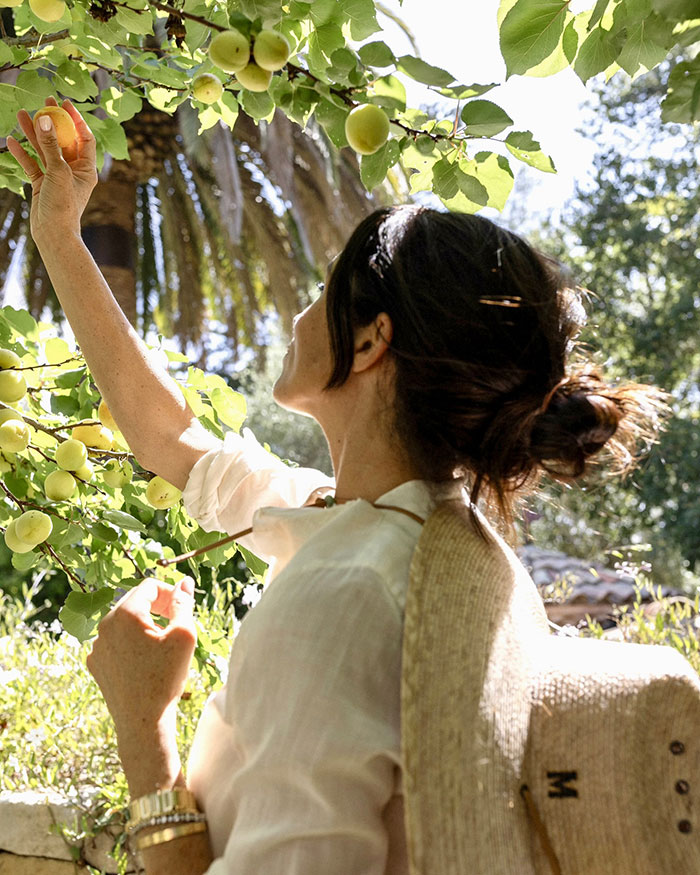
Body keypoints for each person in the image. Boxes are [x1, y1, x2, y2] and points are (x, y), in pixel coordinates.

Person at [6, 99, 663, 875]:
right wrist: (58, 230)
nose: (297, 310)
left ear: (371, 337)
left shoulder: (347, 592)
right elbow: (171, 439)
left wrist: (142, 724)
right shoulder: (409, 531)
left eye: (322, 289)